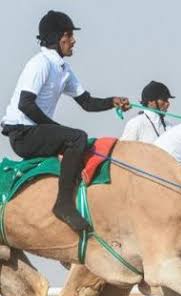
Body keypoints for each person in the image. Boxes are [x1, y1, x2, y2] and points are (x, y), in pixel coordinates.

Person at [1, 10, 130, 232]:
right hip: (23, 134)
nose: (73, 41)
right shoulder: (40, 63)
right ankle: (63, 204)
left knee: (79, 139)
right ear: (55, 39)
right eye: (68, 36)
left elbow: (87, 102)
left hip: (35, 131)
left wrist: (112, 101)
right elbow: (25, 104)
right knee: (76, 138)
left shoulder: (64, 69)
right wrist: (55, 128)